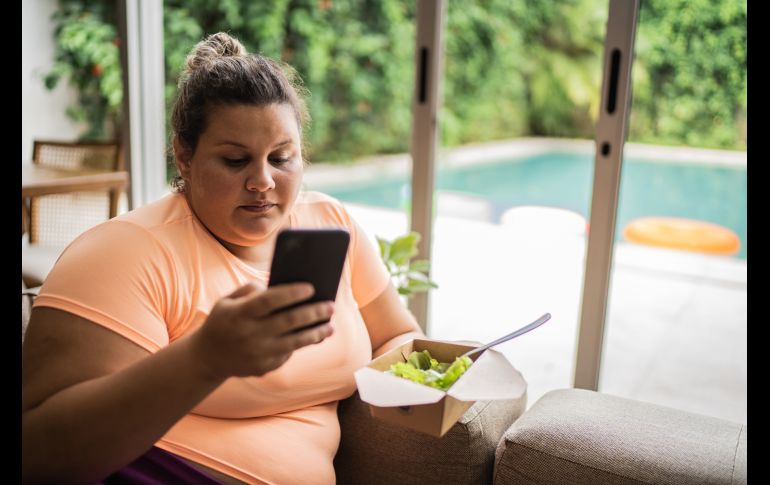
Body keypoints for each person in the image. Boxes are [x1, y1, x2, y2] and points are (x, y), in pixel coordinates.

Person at [22, 32, 424, 484]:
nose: (263, 181)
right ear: (184, 156)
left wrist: (416, 386)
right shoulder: (125, 252)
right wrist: (204, 359)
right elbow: (37, 453)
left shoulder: (330, 224)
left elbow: (397, 335)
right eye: (235, 160)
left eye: (281, 158)